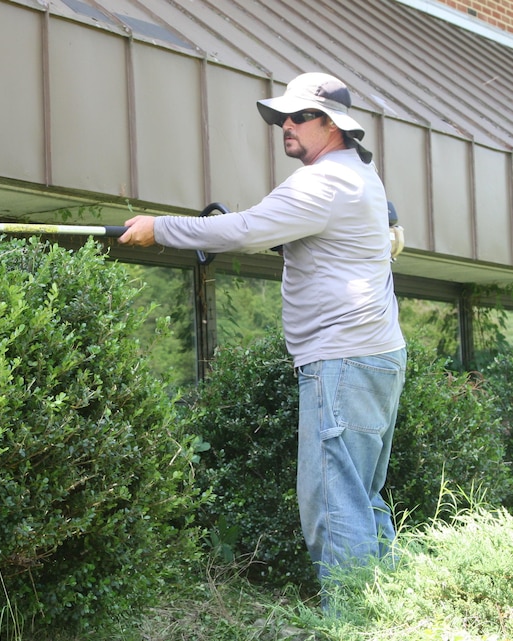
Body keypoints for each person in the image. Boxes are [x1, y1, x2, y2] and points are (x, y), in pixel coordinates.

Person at [118, 72, 407, 595]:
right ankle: (396, 616)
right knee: (362, 498)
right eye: (281, 117)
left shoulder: (324, 180)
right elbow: (318, 239)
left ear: (332, 125)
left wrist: (159, 227)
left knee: (333, 508)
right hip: (373, 356)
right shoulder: (360, 175)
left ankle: (352, 625)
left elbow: (247, 230)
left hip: (341, 360)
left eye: (298, 117)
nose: (286, 125)